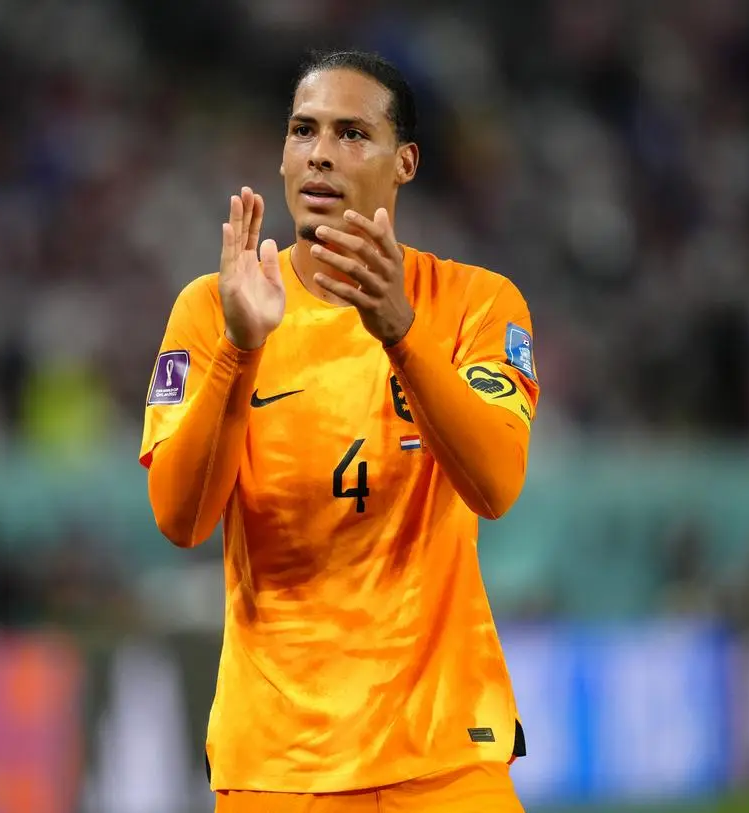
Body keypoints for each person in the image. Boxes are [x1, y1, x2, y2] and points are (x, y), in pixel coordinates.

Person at [140, 49, 539, 812]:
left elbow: (495, 484)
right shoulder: (213, 309)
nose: (320, 152)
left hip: (445, 758)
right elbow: (181, 519)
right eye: (303, 130)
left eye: (353, 133)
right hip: (278, 768)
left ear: (405, 162)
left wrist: (400, 332)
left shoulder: (476, 303)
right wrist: (238, 350)